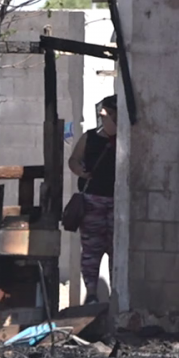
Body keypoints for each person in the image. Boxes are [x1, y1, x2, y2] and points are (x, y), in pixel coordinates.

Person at [67, 94, 117, 305]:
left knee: (118, 252)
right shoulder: (90, 137)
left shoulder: (130, 139)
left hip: (118, 204)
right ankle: (92, 295)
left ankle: (116, 295)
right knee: (91, 252)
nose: (101, 118)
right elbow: (74, 160)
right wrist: (81, 172)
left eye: (106, 114)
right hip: (93, 202)